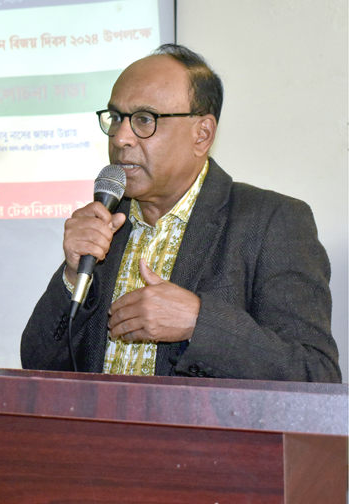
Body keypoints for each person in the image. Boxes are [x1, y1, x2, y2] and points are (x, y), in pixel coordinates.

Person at [21, 44, 341, 382]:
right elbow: (38, 364)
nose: (121, 137)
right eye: (116, 118)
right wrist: (73, 277)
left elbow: (315, 375)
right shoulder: (104, 223)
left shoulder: (271, 221)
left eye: (144, 119)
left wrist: (199, 324)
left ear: (202, 134)